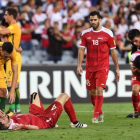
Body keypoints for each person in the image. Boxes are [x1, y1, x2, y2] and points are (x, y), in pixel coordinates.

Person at [77, 11, 120, 123]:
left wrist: (117, 68)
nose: (93, 22)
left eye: (95, 20)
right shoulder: (85, 33)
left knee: (99, 89)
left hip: (102, 67)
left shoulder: (108, 33)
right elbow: (81, 50)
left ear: (100, 20)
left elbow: (113, 52)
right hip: (90, 67)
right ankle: (100, 111)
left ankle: (95, 115)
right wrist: (79, 65)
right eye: (91, 20)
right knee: (92, 93)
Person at [0, 92, 87, 130]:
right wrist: (23, 126)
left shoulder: (10, 120)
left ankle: (50, 114)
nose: (2, 116)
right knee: (64, 96)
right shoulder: (16, 126)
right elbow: (36, 128)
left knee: (34, 95)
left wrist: (3, 114)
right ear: (7, 125)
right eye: (2, 118)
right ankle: (75, 123)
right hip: (45, 121)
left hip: (37, 116)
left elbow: (4, 117)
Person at [0, 7, 22, 116]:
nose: (5, 17)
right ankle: (14, 109)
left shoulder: (14, 27)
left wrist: (17, 49)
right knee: (8, 84)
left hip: (15, 57)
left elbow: (15, 73)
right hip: (10, 55)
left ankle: (13, 109)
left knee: (11, 85)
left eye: (6, 15)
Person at [0, 42, 18, 112]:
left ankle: (1, 118)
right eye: (5, 56)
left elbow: (15, 72)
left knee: (3, 91)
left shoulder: (13, 53)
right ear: (1, 50)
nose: (7, 58)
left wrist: (12, 91)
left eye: (9, 56)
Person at [126, 29, 140, 118]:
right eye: (132, 42)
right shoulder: (134, 54)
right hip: (138, 74)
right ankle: (135, 111)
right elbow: (132, 69)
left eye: (136, 41)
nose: (134, 43)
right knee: (135, 90)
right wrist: (136, 70)